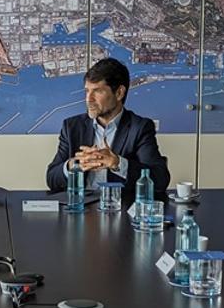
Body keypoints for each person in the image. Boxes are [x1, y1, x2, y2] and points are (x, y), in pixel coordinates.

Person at [46, 57, 170, 203]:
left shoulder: (140, 128)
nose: (88, 99)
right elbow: (52, 179)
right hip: (79, 212)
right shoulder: (72, 127)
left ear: (119, 93)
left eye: (97, 91)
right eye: (87, 91)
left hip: (119, 212)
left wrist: (117, 163)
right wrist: (73, 165)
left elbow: (160, 179)